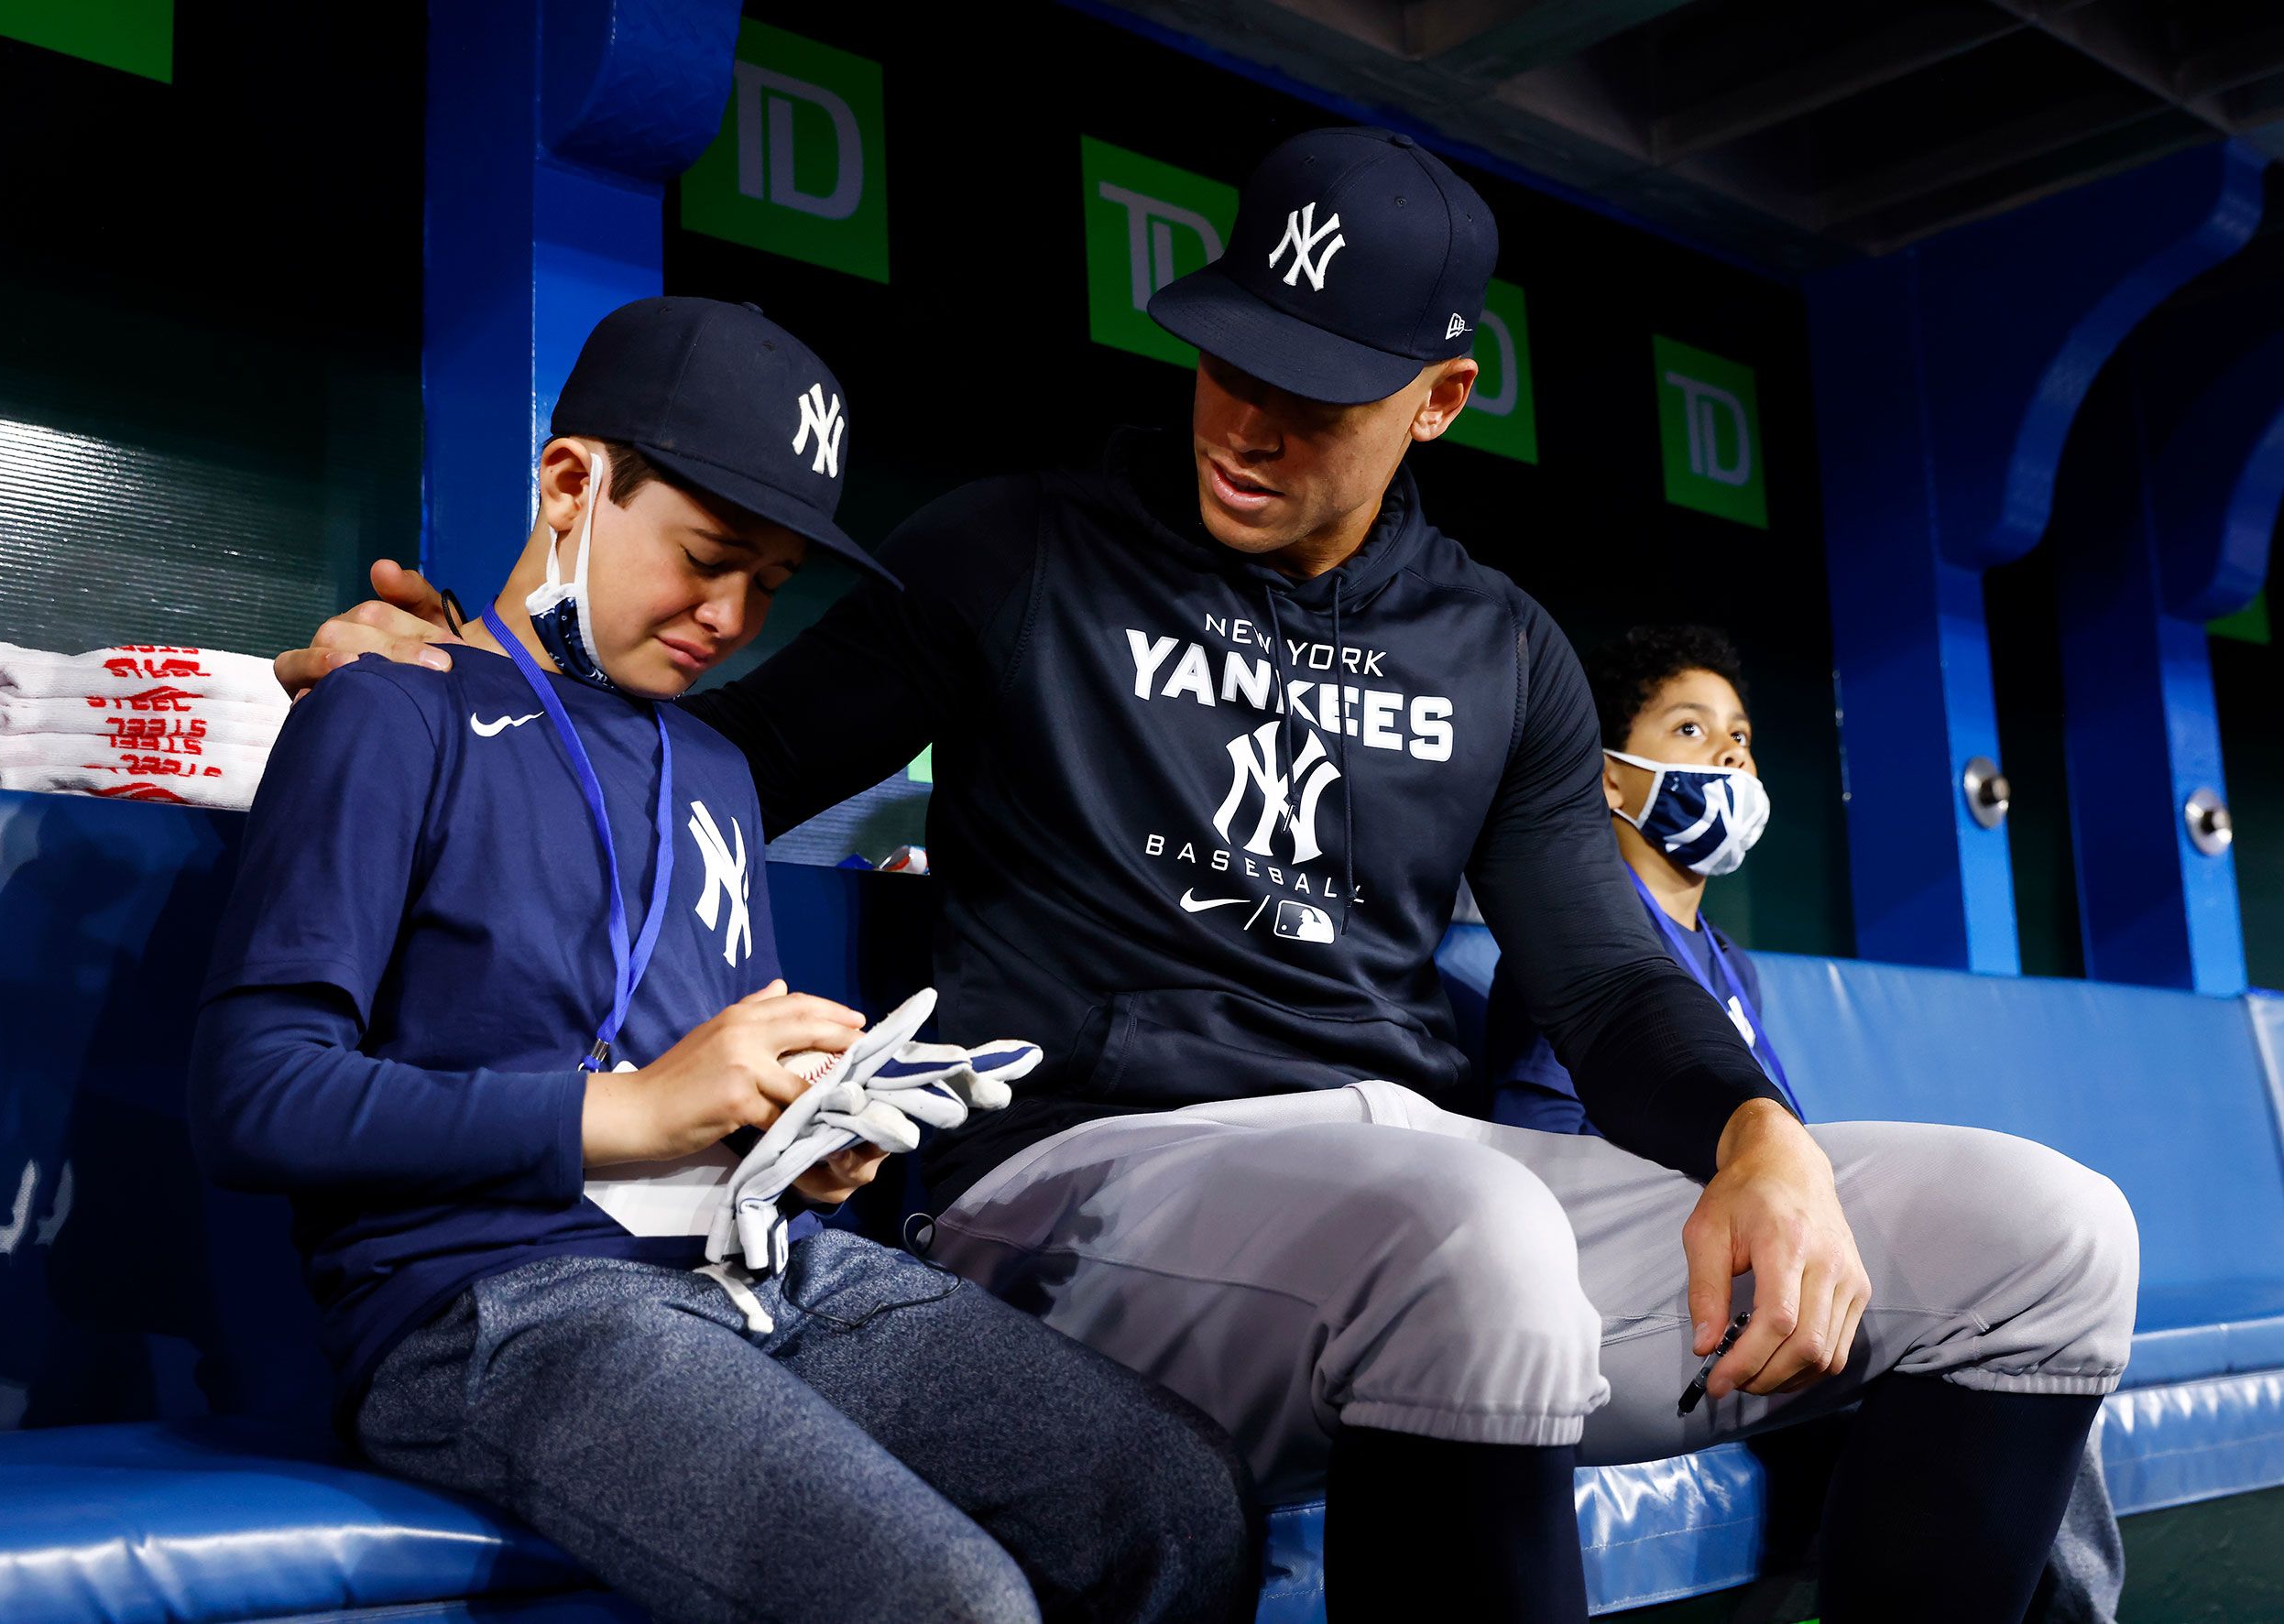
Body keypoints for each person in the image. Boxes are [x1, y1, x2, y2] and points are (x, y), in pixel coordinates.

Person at [284, 130, 2137, 1622]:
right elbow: (706, 765)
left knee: (2041, 1232)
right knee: (1465, 1247)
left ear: (1438, 398)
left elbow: (1600, 972)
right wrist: (473, 668)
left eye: (1315, 397)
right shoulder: (1013, 551)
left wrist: (1755, 1135)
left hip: (1410, 1166)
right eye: (1228, 363)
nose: (1245, 425)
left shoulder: (1499, 647)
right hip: (1091, 1179)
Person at [192, 298, 1256, 1624]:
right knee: (948, 1603)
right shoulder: (391, 710)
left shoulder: (715, 766)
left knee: (1178, 1500)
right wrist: (631, 1113)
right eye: (706, 556)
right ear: (574, 483)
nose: (732, 614)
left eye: (769, 584)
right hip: (493, 1298)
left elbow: (708, 1080)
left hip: (763, 1270)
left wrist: (803, 1144)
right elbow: (255, 1094)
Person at [1489, 623, 2128, 1624]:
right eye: (1690, 729)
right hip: (1646, 1271)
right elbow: (1548, 1149)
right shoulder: (1584, 946)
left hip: (1751, 1257)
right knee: (1999, 1303)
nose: (1731, 754)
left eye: (1739, 734)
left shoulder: (1728, 962)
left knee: (2030, 1305)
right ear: (1611, 777)